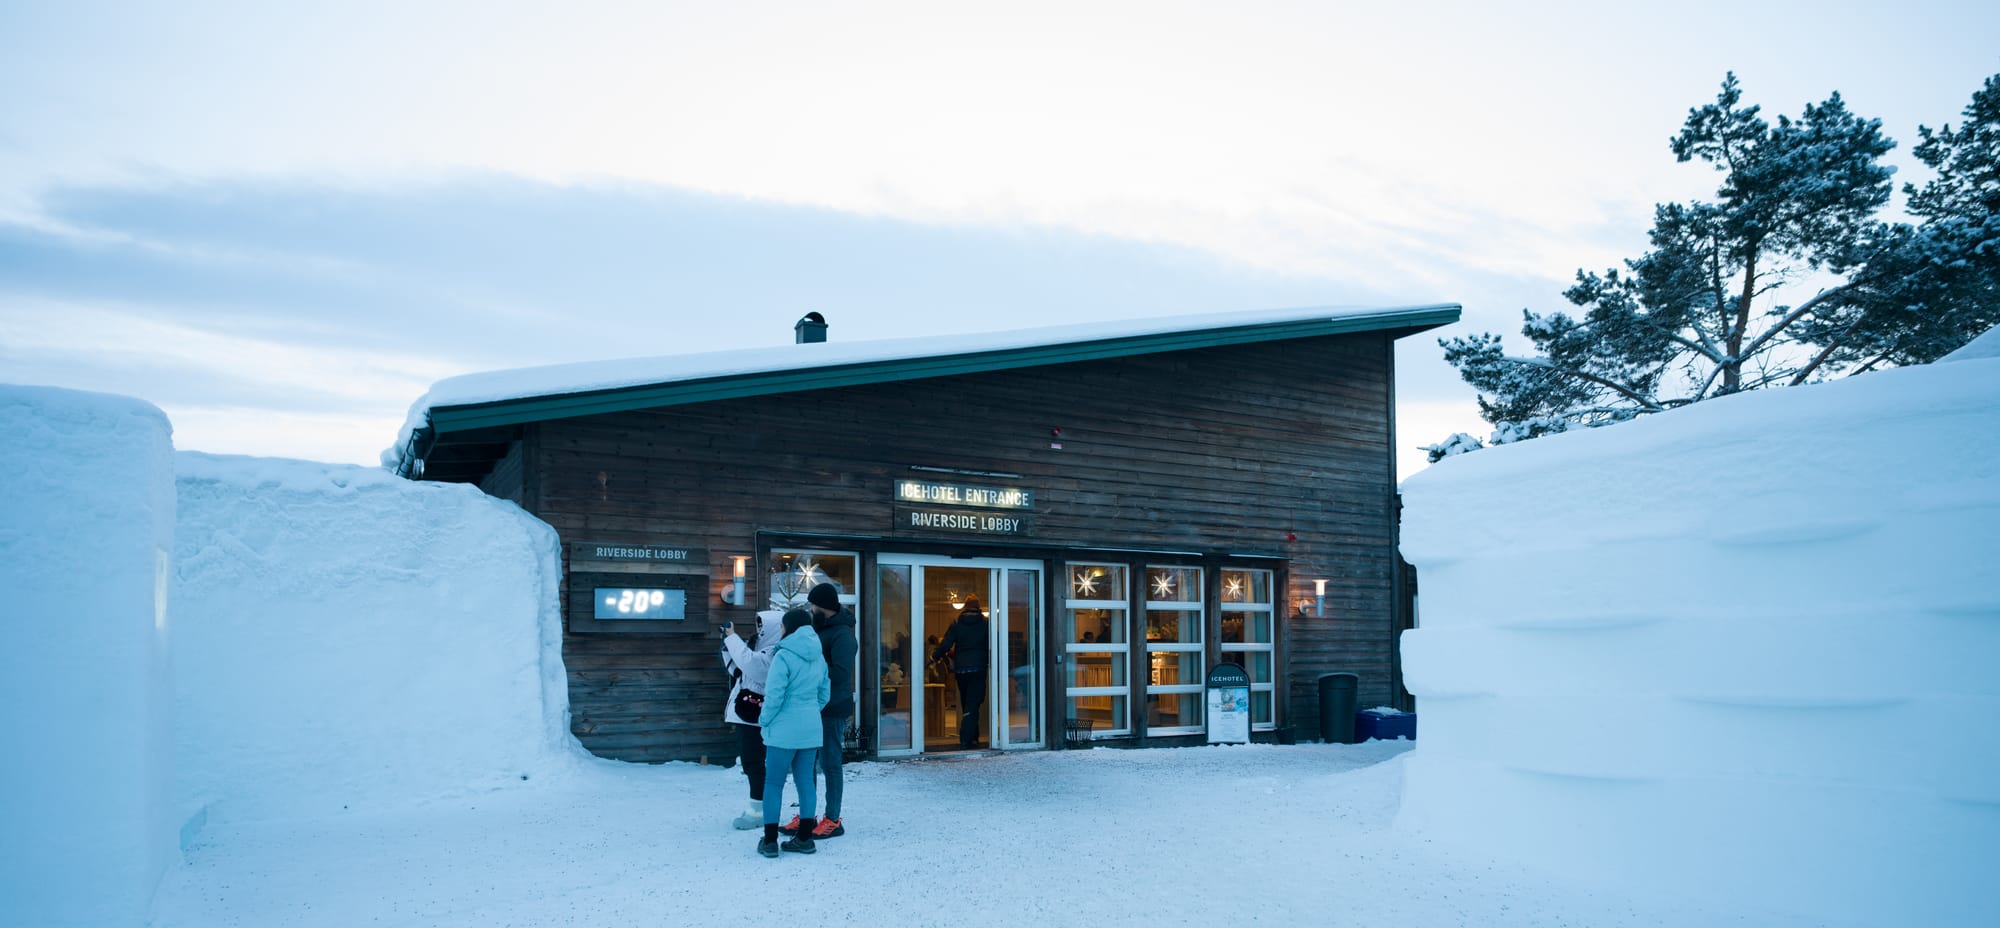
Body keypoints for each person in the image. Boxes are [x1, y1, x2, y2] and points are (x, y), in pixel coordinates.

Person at [782, 581, 856, 840]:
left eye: (814, 605)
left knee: (830, 763)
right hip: (812, 706)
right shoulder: (819, 629)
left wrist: (811, 672)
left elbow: (842, 673)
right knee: (806, 763)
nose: (811, 609)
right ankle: (807, 815)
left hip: (833, 707)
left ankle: (833, 819)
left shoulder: (843, 635)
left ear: (824, 607)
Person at [757, 608, 830, 857]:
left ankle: (769, 841)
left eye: (782, 627)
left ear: (789, 628)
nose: (780, 631)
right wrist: (809, 711)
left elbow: (774, 696)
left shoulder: (784, 656)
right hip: (810, 729)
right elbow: (824, 694)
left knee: (774, 783)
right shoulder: (818, 657)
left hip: (783, 730)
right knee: (806, 782)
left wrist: (764, 720)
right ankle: (805, 838)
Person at [720, 609, 784, 830]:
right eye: (757, 625)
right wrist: (727, 649)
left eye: (762, 625)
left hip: (755, 717)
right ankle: (759, 807)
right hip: (746, 714)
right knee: (751, 763)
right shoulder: (760, 649)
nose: (759, 630)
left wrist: (732, 638)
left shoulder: (773, 653)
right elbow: (739, 670)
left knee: (754, 763)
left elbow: (752, 665)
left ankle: (758, 811)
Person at [931, 595, 991, 748]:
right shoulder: (985, 624)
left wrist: (933, 657)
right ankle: (966, 738)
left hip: (961, 670)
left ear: (965, 607)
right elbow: (994, 644)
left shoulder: (956, 624)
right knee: (973, 703)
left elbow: (945, 645)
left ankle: (973, 737)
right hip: (978, 668)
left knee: (967, 703)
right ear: (978, 608)